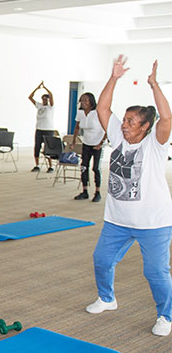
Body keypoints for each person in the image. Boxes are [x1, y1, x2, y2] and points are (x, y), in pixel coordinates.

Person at [86, 56, 172, 337]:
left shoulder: (156, 144)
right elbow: (102, 107)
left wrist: (154, 85)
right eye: (124, 119)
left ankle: (165, 316)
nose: (124, 125)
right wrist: (114, 78)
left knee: (156, 273)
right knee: (102, 260)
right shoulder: (118, 136)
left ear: (145, 126)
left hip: (153, 222)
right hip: (117, 220)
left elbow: (167, 118)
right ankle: (107, 299)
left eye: (131, 122)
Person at [70, 92, 106, 202]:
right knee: (84, 167)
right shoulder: (80, 113)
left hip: (97, 144)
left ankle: (97, 192)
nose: (84, 102)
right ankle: (85, 191)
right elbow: (77, 128)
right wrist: (74, 141)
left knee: (95, 168)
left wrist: (101, 143)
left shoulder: (97, 113)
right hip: (86, 143)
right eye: (82, 100)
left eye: (86, 100)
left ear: (91, 101)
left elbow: (107, 128)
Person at [28, 81, 55, 172]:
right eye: (43, 99)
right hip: (39, 129)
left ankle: (50, 167)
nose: (44, 101)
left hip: (48, 130)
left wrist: (45, 87)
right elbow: (30, 97)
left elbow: (51, 95)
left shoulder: (51, 107)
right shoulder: (39, 106)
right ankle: (37, 165)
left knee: (48, 148)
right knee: (37, 147)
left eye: (46, 99)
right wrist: (37, 88)